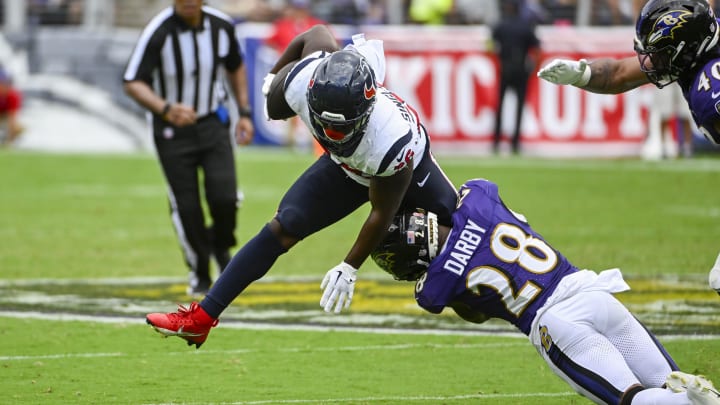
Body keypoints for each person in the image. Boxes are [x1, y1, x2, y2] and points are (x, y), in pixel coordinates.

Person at [145, 24, 459, 348]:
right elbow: (316, 34)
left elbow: (382, 210)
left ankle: (496, 297)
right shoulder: (297, 85)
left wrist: (349, 266)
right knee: (285, 225)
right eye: (327, 126)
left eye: (342, 127)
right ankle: (201, 319)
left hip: (401, 169)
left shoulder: (390, 137)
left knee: (457, 235)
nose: (332, 134)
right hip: (347, 166)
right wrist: (274, 77)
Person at [370, 178, 720, 405]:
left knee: (632, 399)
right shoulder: (478, 196)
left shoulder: (434, 288)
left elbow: (477, 313)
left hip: (556, 322)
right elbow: (469, 194)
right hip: (590, 290)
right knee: (668, 381)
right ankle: (697, 393)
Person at [536, 0, 719, 291]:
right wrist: (580, 73)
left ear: (688, 47)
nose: (650, 62)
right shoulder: (696, 57)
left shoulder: (711, 88)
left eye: (659, 54)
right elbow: (618, 74)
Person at [123, 0, 254, 296]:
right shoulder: (159, 31)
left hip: (212, 123)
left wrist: (244, 112)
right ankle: (199, 270)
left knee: (225, 195)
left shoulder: (220, 26)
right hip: (172, 130)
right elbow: (133, 82)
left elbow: (236, 66)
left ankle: (221, 247)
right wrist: (165, 108)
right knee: (187, 205)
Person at [264, 0, 325, 151]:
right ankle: (290, 140)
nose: (299, 12)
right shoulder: (283, 25)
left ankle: (315, 143)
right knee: (290, 104)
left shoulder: (316, 25)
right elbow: (269, 42)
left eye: (302, 9)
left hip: (312, 73)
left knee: (314, 107)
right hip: (290, 73)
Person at [490, 0, 540, 155]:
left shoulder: (500, 25)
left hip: (505, 69)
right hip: (521, 70)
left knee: (500, 105)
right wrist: (532, 67)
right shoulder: (526, 27)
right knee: (519, 107)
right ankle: (515, 143)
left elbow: (490, 44)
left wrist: (498, 59)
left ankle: (497, 141)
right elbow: (537, 48)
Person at [0, 68, 23, 147]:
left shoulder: (13, 95)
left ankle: (8, 143)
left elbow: (12, 117)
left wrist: (9, 140)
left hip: (4, 116)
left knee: (18, 127)